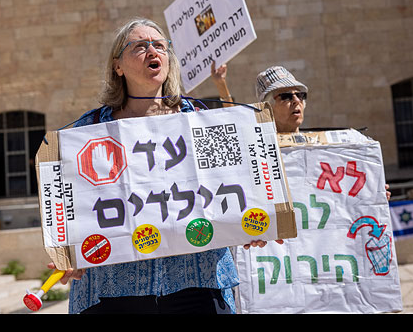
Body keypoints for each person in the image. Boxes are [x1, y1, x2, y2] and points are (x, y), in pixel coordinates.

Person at [48, 17, 271, 314]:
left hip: (198, 282)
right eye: (140, 46)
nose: (153, 51)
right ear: (118, 66)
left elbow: (236, 185)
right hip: (113, 290)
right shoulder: (88, 129)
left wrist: (256, 221)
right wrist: (67, 254)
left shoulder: (201, 120)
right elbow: (65, 203)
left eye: (160, 45)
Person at [211, 64, 391, 200]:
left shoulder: (325, 146)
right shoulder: (257, 148)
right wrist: (221, 85)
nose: (296, 101)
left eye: (300, 95)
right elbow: (232, 122)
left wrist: (373, 196)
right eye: (286, 97)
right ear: (267, 109)